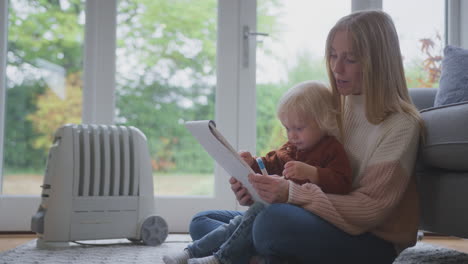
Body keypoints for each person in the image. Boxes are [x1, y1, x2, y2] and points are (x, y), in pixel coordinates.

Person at [188, 9, 424, 264]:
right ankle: (258, 255)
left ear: (378, 62)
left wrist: (291, 195)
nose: (336, 67)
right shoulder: (332, 108)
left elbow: (369, 209)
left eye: (350, 59)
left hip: (372, 241)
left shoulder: (401, 125)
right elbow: (295, 159)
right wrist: (257, 186)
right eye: (333, 56)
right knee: (202, 222)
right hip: (321, 221)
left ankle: (251, 253)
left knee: (269, 225)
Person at [163, 81, 352, 264]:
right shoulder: (291, 148)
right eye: (287, 128)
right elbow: (269, 164)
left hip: (298, 220)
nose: (292, 135)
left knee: (253, 217)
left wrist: (314, 173)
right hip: (270, 216)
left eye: (299, 128)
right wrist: (250, 165)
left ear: (323, 121)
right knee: (203, 222)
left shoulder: (332, 149)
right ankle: (192, 252)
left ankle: (223, 258)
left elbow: (343, 183)